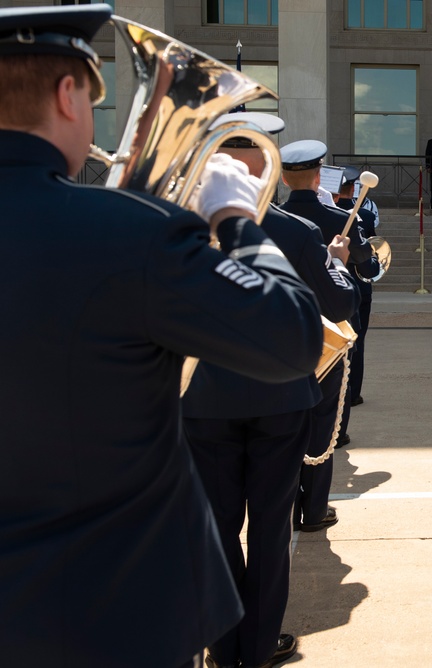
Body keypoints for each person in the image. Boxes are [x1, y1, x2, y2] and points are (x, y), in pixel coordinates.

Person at [0, 6, 325, 666]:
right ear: (68, 95)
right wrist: (237, 219)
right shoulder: (126, 233)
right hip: (116, 612)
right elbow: (291, 336)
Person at [182, 113, 361, 668]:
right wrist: (338, 266)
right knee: (269, 529)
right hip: (280, 401)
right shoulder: (297, 232)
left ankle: (223, 641)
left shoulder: (176, 227)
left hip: (205, 402)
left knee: (215, 527)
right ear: (269, 164)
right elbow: (342, 304)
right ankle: (257, 647)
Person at [279, 145, 377, 531]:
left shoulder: (273, 220)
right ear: (319, 176)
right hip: (331, 335)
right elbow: (368, 266)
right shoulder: (341, 219)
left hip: (285, 333)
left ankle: (286, 504)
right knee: (324, 423)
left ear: (284, 178)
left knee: (286, 423)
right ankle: (315, 508)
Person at [336, 166, 382, 406]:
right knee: (358, 340)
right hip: (358, 285)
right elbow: (370, 250)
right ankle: (353, 393)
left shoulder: (324, 213)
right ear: (353, 188)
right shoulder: (365, 214)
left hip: (329, 287)